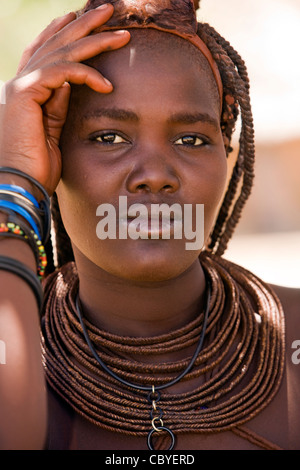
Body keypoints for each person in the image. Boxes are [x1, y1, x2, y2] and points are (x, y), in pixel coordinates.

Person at [0, 0, 299, 451]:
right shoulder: (15, 335)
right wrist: (14, 178)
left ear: (227, 155)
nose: (155, 174)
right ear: (51, 158)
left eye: (191, 139)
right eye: (110, 138)